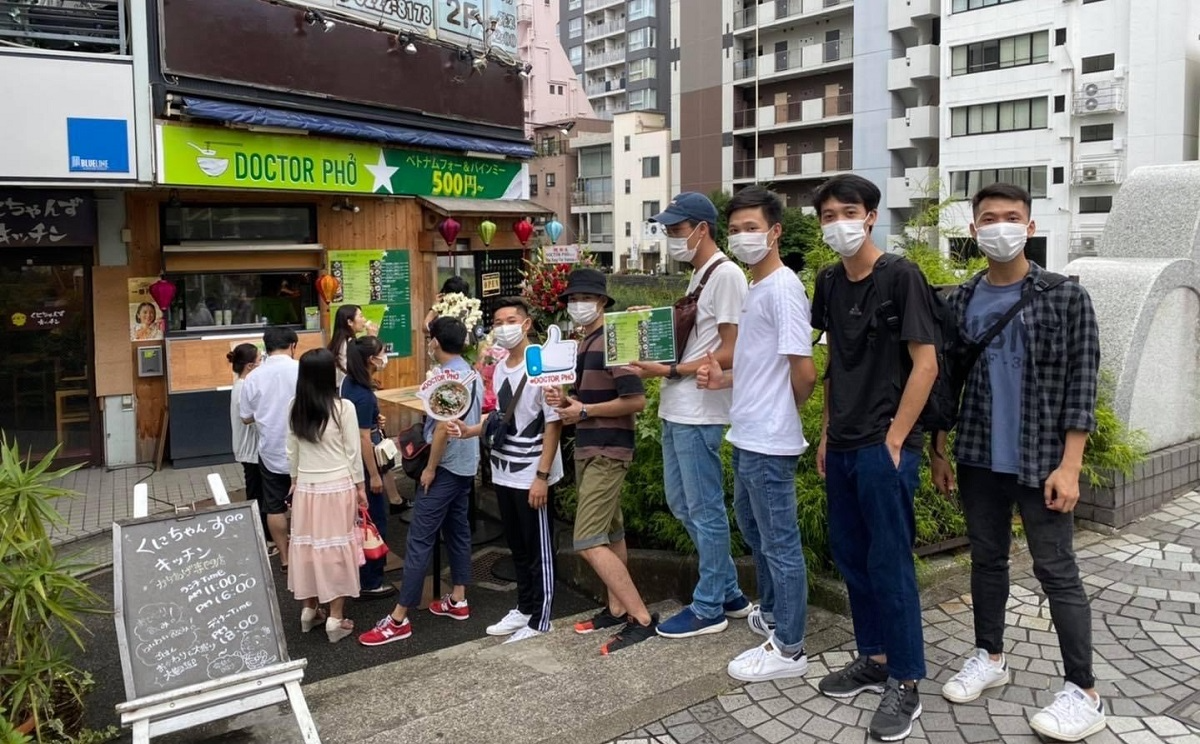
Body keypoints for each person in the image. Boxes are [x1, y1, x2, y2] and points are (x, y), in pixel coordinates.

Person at [932, 183, 1105, 742]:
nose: (999, 227)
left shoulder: (1064, 296)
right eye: (988, 218)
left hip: (1043, 459)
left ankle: (1084, 691)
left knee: (1057, 571)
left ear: (1029, 228)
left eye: (1011, 218)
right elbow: (946, 382)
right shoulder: (959, 300)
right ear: (974, 230)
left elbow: (1083, 382)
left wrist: (1071, 465)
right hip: (980, 454)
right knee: (988, 561)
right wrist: (940, 448)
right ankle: (990, 655)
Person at [808, 174, 938, 742]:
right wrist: (826, 433)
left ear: (871, 215)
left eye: (848, 210)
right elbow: (836, 358)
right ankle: (875, 657)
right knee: (852, 555)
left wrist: (896, 438)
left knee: (890, 562)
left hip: (886, 446)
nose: (838, 221)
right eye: (828, 213)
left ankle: (906, 681)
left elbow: (926, 363)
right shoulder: (829, 281)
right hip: (843, 444)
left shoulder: (901, 276)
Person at [694, 186, 816, 682]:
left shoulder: (784, 287)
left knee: (779, 541)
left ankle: (789, 647)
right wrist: (725, 378)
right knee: (755, 527)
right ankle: (772, 613)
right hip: (747, 434)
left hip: (768, 438)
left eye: (752, 228)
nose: (744, 237)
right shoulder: (757, 287)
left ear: (775, 231)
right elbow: (761, 365)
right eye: (737, 229)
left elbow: (802, 372)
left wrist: (781, 415)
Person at [626, 193, 753, 639]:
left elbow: (734, 349)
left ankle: (709, 606)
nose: (671, 237)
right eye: (668, 230)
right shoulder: (700, 276)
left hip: (699, 408)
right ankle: (730, 591)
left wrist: (673, 369)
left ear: (703, 228)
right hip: (679, 405)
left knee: (704, 509)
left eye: (677, 229)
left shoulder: (726, 275)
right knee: (685, 504)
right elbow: (695, 338)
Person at [543, 268, 655, 654]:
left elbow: (635, 400)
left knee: (588, 539)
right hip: (592, 446)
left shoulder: (612, 339)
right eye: (572, 300)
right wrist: (568, 403)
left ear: (603, 302)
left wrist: (585, 411)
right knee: (612, 532)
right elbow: (587, 401)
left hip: (608, 447)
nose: (577, 305)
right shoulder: (587, 340)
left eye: (584, 298)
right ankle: (616, 608)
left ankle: (641, 618)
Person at [358, 317, 483, 646]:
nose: (428, 344)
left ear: (436, 343)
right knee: (457, 530)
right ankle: (458, 599)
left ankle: (400, 617)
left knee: (419, 538)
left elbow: (443, 426)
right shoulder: (469, 372)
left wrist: (429, 467)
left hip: (445, 466)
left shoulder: (448, 378)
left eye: (429, 339)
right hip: (466, 464)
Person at [447, 298, 564, 643]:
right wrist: (469, 430)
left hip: (532, 472)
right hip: (503, 471)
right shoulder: (499, 368)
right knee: (518, 546)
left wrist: (542, 477)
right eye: (497, 322)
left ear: (527, 324)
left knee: (538, 547)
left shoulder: (542, 365)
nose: (503, 327)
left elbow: (554, 426)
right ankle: (524, 607)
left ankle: (542, 617)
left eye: (511, 320)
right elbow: (500, 417)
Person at [286, 347, 367, 643]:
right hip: (338, 485)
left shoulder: (295, 405)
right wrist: (360, 487)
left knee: (307, 548)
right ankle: (335, 617)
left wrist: (295, 480)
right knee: (336, 550)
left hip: (306, 487)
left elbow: (290, 450)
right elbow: (352, 452)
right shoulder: (343, 408)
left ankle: (309, 610)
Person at [342, 335, 397, 601]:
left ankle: (363, 574)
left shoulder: (349, 384)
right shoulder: (362, 393)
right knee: (373, 522)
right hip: (365, 465)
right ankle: (371, 581)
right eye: (381, 351)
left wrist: (376, 420)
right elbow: (363, 437)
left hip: (353, 462)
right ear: (369, 359)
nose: (384, 356)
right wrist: (374, 475)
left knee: (361, 520)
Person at [239, 326, 300, 568]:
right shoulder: (302, 369)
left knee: (274, 505)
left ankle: (285, 558)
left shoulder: (253, 376)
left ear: (267, 347)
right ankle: (303, 556)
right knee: (303, 504)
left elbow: (245, 417)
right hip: (303, 449)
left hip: (270, 450)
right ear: (293, 346)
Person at [227, 343, 273, 554]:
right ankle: (263, 537)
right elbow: (252, 420)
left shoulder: (240, 384)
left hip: (250, 448)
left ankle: (266, 534)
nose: (262, 362)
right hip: (252, 449)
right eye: (259, 359)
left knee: (259, 491)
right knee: (258, 493)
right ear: (249, 366)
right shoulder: (245, 387)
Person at [328, 304, 376, 390]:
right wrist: (372, 339)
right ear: (350, 322)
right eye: (360, 316)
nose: (364, 319)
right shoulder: (348, 343)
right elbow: (360, 369)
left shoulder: (339, 342)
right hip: (348, 389)